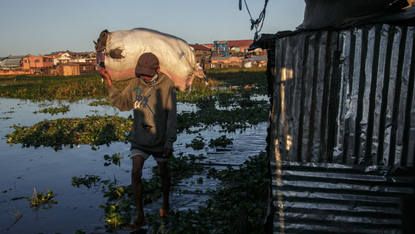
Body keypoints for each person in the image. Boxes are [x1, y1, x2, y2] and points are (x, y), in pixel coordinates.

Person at [99, 53, 177, 230]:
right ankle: (140, 216)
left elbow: (171, 115)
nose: (146, 77)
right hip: (139, 138)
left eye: (149, 73)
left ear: (157, 70)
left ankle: (165, 204)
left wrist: (169, 141)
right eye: (143, 73)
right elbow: (122, 103)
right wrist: (109, 81)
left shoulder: (167, 84)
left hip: (160, 139)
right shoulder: (135, 83)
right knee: (135, 172)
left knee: (163, 172)